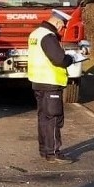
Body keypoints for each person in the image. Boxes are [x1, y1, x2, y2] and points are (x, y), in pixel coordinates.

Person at [27, 9, 78, 164]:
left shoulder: (35, 33)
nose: (62, 29)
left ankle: (44, 150)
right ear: (56, 22)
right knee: (53, 119)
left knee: (43, 118)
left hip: (38, 82)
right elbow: (59, 59)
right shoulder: (48, 37)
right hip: (51, 83)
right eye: (62, 25)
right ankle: (53, 153)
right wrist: (71, 58)